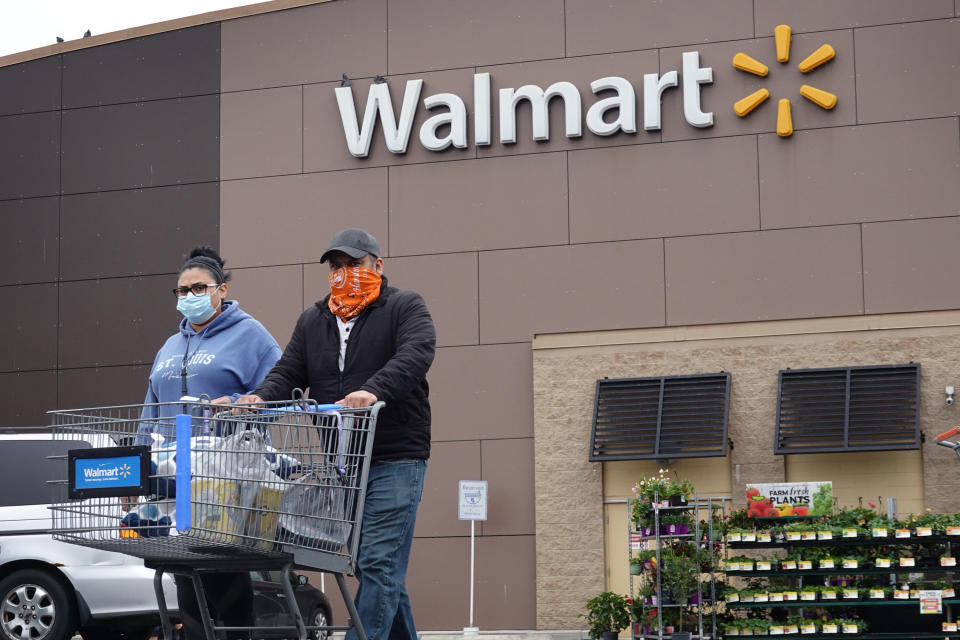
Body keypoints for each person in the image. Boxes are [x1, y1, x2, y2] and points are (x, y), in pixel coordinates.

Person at [237, 228, 436, 640]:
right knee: (374, 567)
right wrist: (257, 399)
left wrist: (373, 389)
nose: (345, 273)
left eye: (354, 264)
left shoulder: (404, 306)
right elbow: (289, 370)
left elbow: (416, 352)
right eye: (336, 267)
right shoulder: (314, 321)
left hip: (394, 457)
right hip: (343, 465)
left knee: (377, 563)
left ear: (378, 266)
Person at [139, 246, 283, 640]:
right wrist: (137, 469)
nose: (189, 297)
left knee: (225, 568)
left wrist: (239, 405)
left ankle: (236, 634)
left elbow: (279, 392)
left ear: (221, 290)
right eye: (181, 291)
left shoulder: (251, 335)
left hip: (226, 475)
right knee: (185, 571)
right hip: (174, 478)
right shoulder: (170, 346)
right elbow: (150, 410)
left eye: (198, 288)